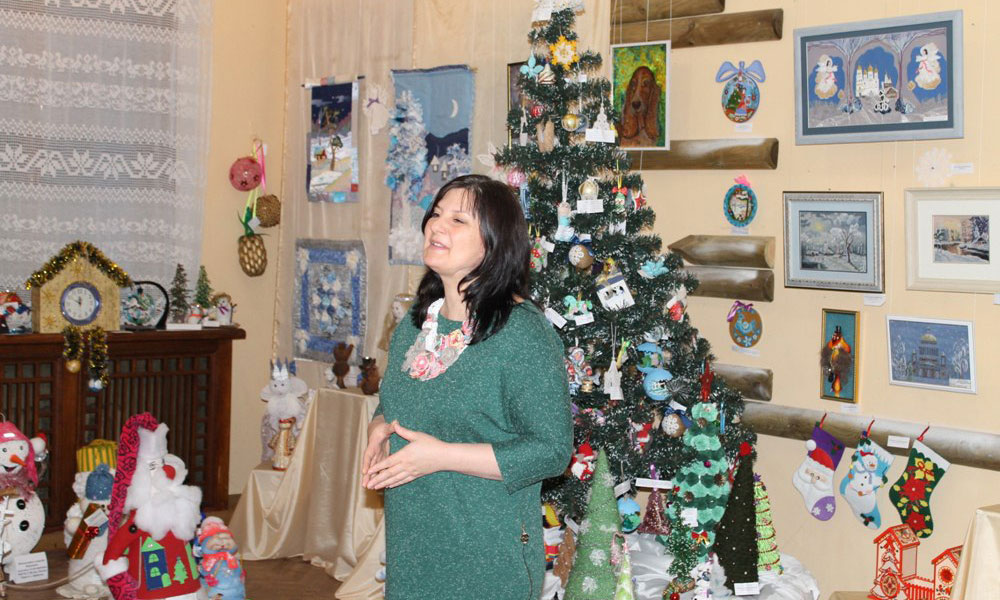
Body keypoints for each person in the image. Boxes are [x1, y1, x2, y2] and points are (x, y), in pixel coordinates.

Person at [362, 174, 572, 600]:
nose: (436, 226)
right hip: (413, 544)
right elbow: (393, 403)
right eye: (436, 214)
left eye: (458, 220)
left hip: (487, 550)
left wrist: (440, 456)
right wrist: (379, 428)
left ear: (494, 243)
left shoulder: (522, 334)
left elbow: (552, 450)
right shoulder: (416, 325)